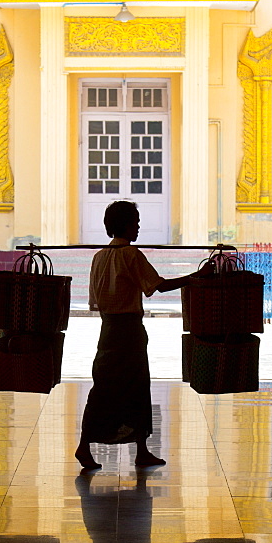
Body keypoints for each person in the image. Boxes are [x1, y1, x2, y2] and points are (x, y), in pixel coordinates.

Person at [75, 200, 213, 470]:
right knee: (136, 389)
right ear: (126, 225)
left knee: (102, 390)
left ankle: (91, 446)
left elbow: (96, 300)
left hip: (107, 331)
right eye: (135, 222)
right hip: (129, 333)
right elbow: (157, 286)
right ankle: (139, 450)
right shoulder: (131, 255)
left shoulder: (99, 257)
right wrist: (198, 276)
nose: (138, 227)